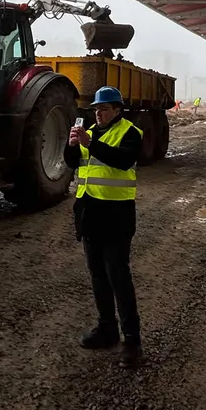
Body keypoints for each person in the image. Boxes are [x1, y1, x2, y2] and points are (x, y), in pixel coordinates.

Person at [63, 86, 144, 368]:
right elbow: (74, 163)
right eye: (96, 110)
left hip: (116, 215)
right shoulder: (91, 132)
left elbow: (123, 162)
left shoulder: (130, 133)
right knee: (97, 275)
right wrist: (72, 146)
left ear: (117, 110)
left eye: (104, 109)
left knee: (118, 277)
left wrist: (89, 141)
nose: (99, 114)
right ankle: (107, 329)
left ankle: (132, 340)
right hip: (89, 212)